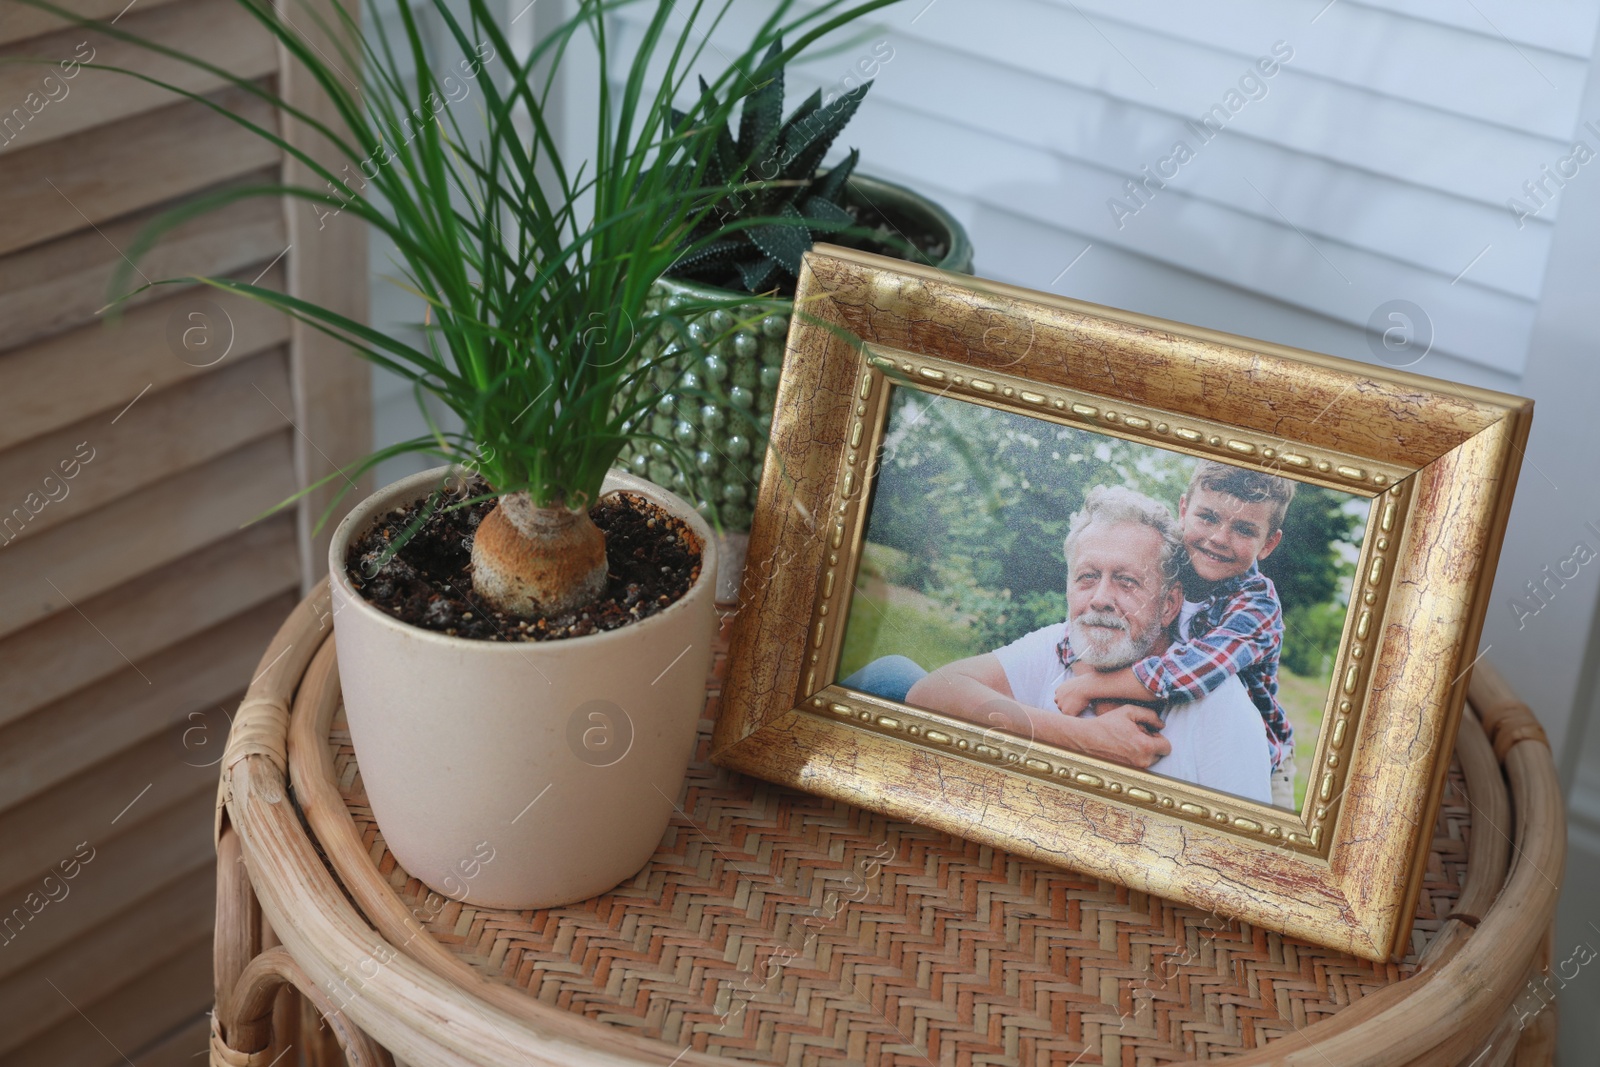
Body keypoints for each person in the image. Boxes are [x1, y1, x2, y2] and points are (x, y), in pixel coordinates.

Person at [844, 486, 1272, 803]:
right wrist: (1087, 739)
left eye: (1127, 582)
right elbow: (931, 693)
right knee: (891, 675)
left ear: (1169, 605)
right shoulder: (1064, 643)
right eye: (1087, 577)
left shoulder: (1221, 710)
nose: (1100, 598)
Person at [1049, 461, 1298, 807]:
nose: (1218, 539)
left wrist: (1090, 685)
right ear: (1184, 509)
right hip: (1176, 736)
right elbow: (1102, 627)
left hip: (1259, 764)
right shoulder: (1167, 566)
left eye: (1243, 529)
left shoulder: (1257, 606)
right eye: (1208, 517)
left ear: (1268, 543)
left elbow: (1189, 673)